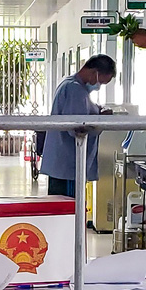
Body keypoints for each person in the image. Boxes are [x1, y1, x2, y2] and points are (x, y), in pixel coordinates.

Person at [40, 54, 116, 197]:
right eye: (102, 82)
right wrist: (100, 120)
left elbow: (81, 111)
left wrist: (97, 110)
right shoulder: (75, 90)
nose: (99, 86)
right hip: (68, 167)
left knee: (67, 210)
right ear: (95, 72)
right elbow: (78, 128)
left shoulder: (72, 85)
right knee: (68, 210)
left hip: (65, 166)